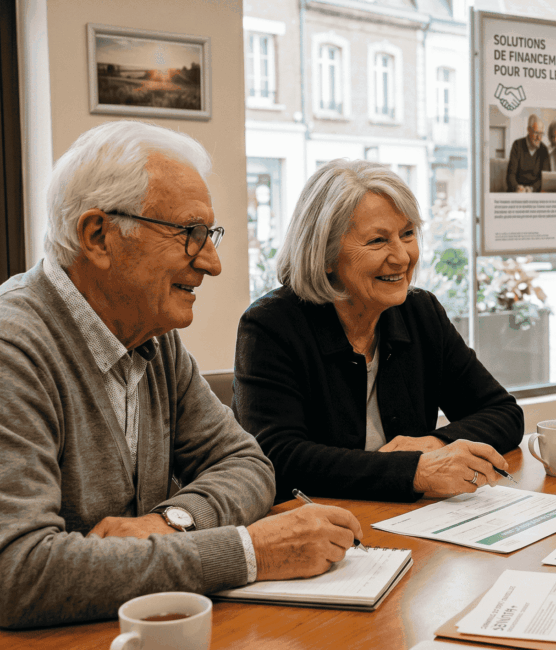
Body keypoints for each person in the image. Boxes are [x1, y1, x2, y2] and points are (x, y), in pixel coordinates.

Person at [0, 121, 363, 630]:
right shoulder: (12, 347)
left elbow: (249, 464)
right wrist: (246, 551)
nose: (212, 263)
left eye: (209, 235)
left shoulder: (152, 336)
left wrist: (171, 523)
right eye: (190, 234)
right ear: (98, 236)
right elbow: (18, 573)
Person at [233, 159, 524, 504]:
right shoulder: (270, 325)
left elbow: (505, 414)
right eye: (377, 241)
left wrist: (434, 445)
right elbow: (279, 457)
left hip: (412, 524)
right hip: (319, 527)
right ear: (325, 255)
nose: (402, 257)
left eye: (407, 234)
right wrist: (414, 470)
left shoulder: (421, 312)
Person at [505, 114, 549, 192]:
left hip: (534, 192)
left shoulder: (544, 150)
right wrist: (516, 187)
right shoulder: (517, 145)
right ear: (529, 130)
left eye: (541, 133)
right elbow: (511, 174)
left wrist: (532, 189)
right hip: (517, 191)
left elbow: (545, 178)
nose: (539, 138)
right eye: (536, 133)